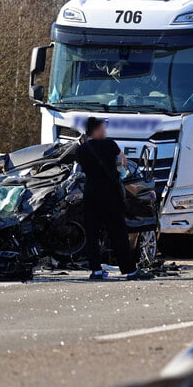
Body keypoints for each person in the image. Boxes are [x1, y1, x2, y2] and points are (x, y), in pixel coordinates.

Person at [75, 117, 153, 281]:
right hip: (110, 194)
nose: (105, 131)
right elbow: (123, 162)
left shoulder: (81, 150)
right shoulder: (109, 144)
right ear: (96, 130)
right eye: (103, 128)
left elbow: (82, 169)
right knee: (117, 232)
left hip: (90, 193)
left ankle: (96, 270)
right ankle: (130, 270)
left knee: (92, 234)